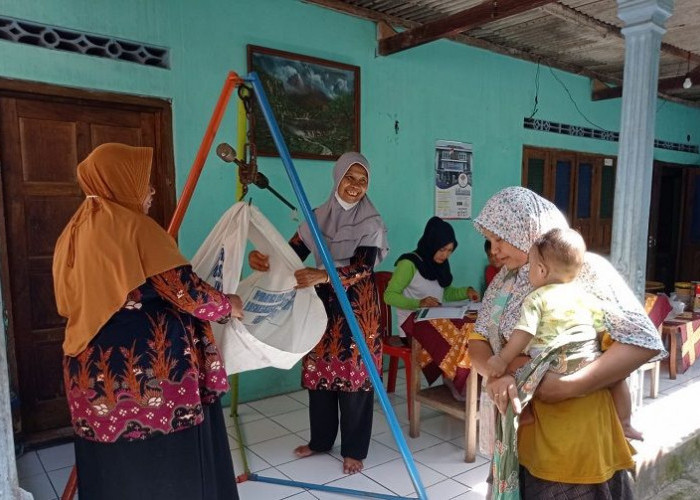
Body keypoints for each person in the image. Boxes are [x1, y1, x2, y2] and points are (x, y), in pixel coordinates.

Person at [53, 143, 243, 500]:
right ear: (119, 181)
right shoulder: (135, 227)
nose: (151, 191)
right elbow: (187, 293)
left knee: (116, 463)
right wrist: (229, 305)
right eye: (143, 183)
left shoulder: (75, 230)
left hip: (90, 368)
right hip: (142, 371)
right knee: (162, 464)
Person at [468, 186, 665, 499]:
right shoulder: (503, 280)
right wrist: (498, 375)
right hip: (521, 436)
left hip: (576, 438)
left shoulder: (583, 270)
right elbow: (478, 341)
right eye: (490, 241)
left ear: (526, 229)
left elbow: (641, 340)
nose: (493, 249)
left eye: (500, 237)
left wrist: (569, 385)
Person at [248, 152, 388, 475]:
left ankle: (353, 449)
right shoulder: (318, 216)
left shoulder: (372, 221)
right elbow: (290, 254)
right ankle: (321, 441)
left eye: (362, 180)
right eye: (350, 178)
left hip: (356, 308)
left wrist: (324, 275)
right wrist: (264, 259)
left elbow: (363, 267)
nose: (355, 186)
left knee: (354, 379)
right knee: (320, 373)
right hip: (322, 305)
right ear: (338, 178)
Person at [485, 227, 642, 440]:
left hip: (552, 363)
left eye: (530, 266)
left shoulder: (535, 298)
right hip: (586, 357)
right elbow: (600, 326)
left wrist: (502, 359)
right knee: (617, 378)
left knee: (513, 370)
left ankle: (524, 414)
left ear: (541, 270)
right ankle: (625, 423)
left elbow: (525, 332)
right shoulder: (584, 294)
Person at [383, 216, 479, 400]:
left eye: (450, 251)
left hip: (433, 321)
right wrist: (418, 303)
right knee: (452, 337)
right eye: (442, 249)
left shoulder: (440, 265)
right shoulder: (408, 263)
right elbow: (389, 295)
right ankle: (455, 380)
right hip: (411, 326)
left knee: (464, 332)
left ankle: (458, 380)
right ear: (431, 243)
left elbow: (445, 293)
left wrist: (466, 292)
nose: (445, 255)